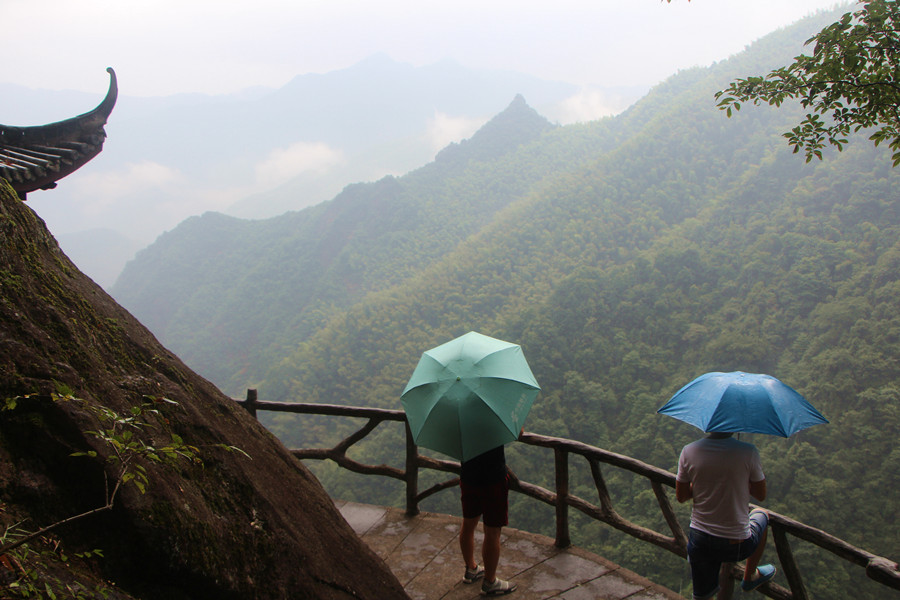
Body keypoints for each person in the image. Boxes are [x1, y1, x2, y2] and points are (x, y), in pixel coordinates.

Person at [675, 431, 776, 599]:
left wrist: (704, 483)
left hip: (700, 542)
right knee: (762, 514)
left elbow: (682, 496)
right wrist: (737, 482)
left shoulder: (688, 451)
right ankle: (750, 576)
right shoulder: (748, 452)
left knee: (702, 596)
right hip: (735, 546)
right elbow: (760, 494)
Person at [458, 429, 523, 595]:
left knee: (468, 523)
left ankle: (471, 569)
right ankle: (490, 581)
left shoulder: (461, 412)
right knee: (492, 531)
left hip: (468, 475)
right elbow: (518, 432)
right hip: (493, 478)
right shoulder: (492, 409)